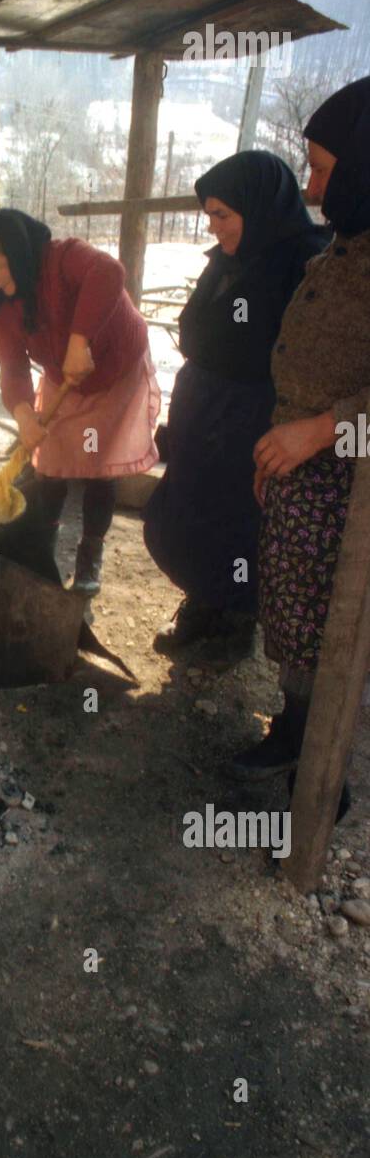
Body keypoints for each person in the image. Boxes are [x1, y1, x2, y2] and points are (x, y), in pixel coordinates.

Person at [234, 75, 370, 801]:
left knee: (335, 634)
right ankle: (293, 730)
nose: (313, 188)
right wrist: (279, 448)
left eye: (323, 168)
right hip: (305, 482)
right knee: (290, 614)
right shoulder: (345, 250)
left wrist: (318, 432)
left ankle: (324, 783)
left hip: (353, 497)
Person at [143, 151, 329, 662]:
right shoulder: (226, 261)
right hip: (204, 408)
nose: (214, 226)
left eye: (223, 215)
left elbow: (303, 355)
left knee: (238, 521)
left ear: (258, 206)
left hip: (254, 417)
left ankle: (235, 626)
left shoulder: (305, 262)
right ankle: (203, 605)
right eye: (210, 216)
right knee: (189, 511)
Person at [0, 209, 159, 595]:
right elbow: (14, 370)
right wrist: (23, 415)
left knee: (98, 465)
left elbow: (109, 273)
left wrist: (79, 340)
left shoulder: (62, 257)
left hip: (114, 374)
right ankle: (43, 545)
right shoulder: (3, 306)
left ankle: (91, 552)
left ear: (18, 251)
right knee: (48, 466)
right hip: (63, 380)